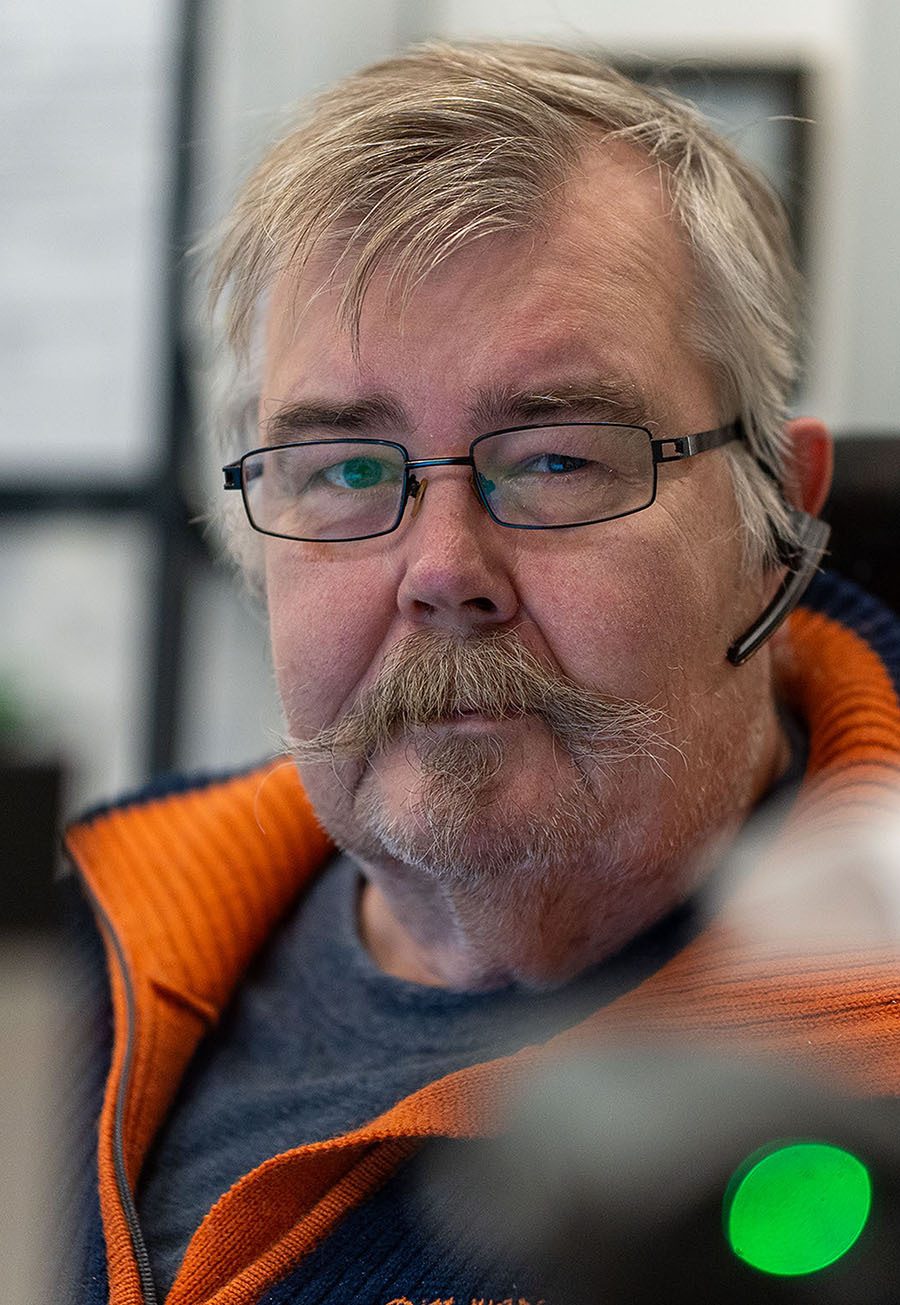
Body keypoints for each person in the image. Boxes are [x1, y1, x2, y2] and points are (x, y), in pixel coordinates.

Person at [63, 41, 900, 1305]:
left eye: (558, 458)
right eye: (346, 470)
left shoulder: (857, 1124)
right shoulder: (74, 943)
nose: (443, 569)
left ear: (777, 516)